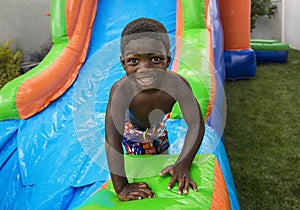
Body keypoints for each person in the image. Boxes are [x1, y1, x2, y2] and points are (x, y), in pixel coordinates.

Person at [105, 17, 205, 201]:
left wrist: (183, 164)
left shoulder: (177, 85)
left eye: (155, 59)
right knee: (138, 164)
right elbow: (113, 140)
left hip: (158, 129)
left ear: (167, 60)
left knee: (162, 162)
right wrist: (122, 187)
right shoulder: (121, 91)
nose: (145, 68)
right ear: (123, 63)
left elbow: (196, 123)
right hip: (131, 132)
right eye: (134, 61)